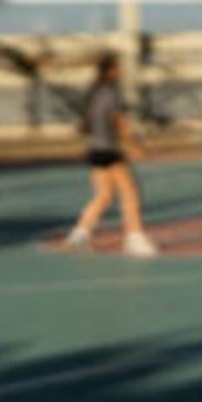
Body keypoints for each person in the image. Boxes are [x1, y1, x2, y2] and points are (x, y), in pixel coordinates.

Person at [65, 53, 159, 257]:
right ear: (110, 71)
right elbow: (119, 122)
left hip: (95, 149)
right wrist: (136, 146)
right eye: (118, 68)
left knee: (104, 195)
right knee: (130, 192)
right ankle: (135, 238)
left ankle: (79, 234)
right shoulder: (112, 93)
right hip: (109, 149)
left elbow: (86, 124)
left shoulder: (94, 93)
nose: (121, 72)